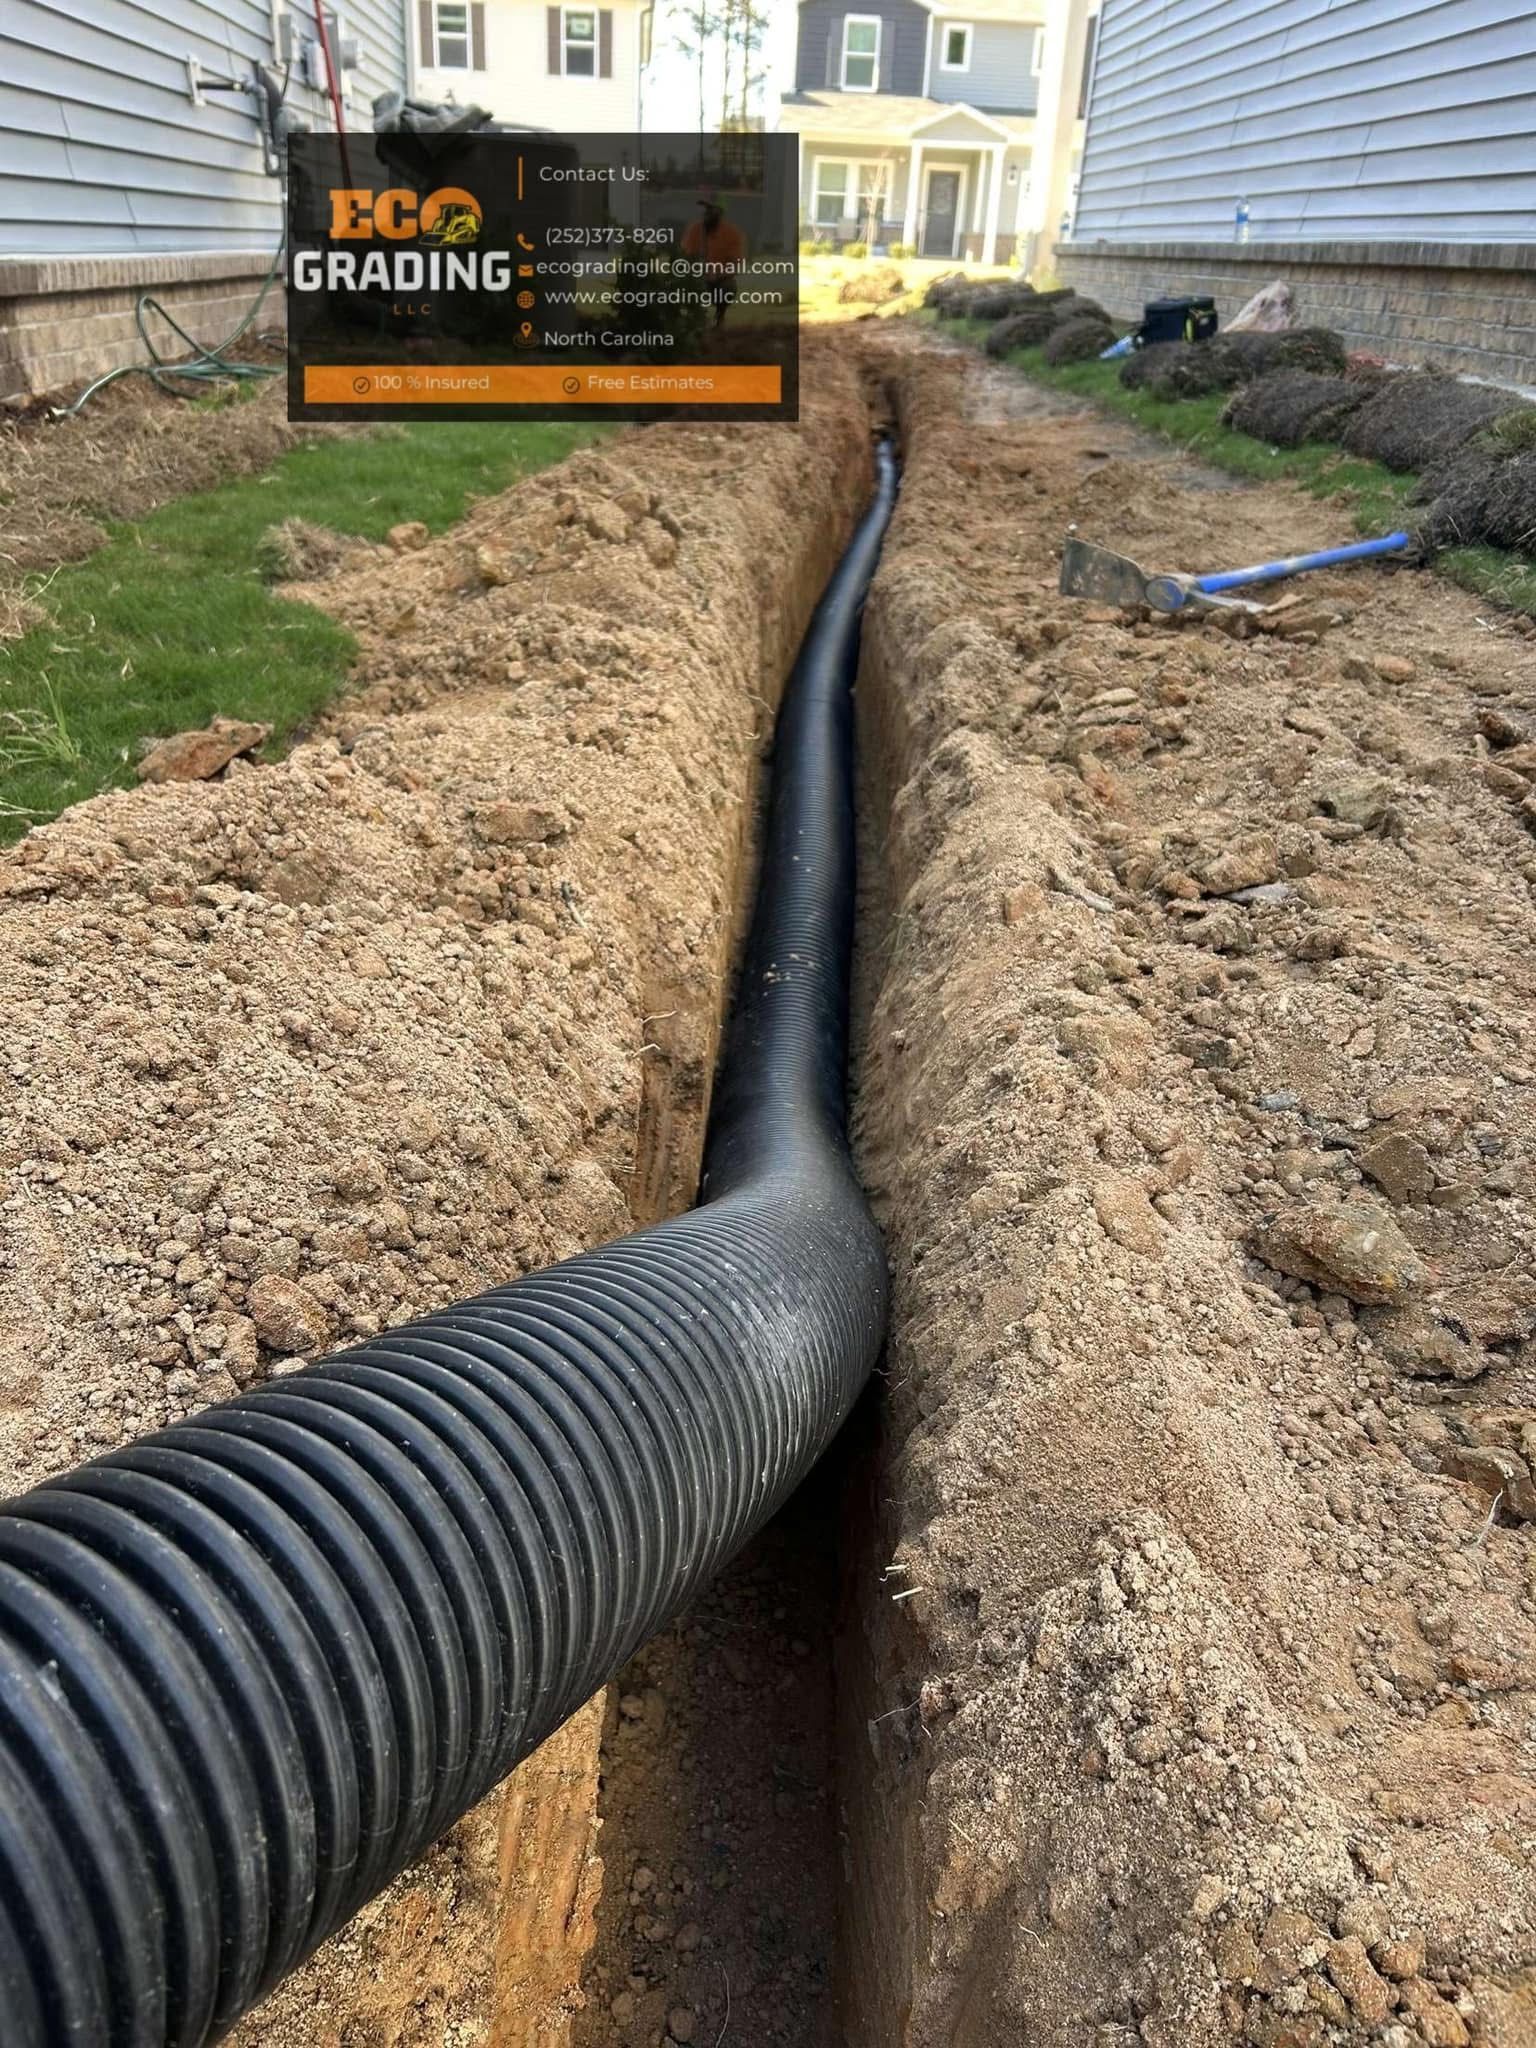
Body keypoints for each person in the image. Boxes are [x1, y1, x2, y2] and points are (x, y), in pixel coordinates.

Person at [680, 196, 745, 329]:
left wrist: (717, 275)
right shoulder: (695, 229)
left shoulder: (732, 233)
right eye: (705, 209)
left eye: (710, 209)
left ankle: (719, 318)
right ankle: (696, 319)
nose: (706, 213)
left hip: (719, 279)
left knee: (728, 287)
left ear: (720, 212)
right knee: (684, 286)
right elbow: (685, 257)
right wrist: (697, 272)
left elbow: (735, 265)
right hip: (698, 278)